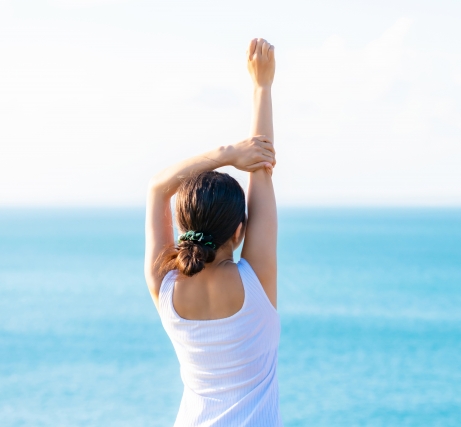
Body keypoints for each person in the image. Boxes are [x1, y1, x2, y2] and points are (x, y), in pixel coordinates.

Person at [144, 38, 281, 426]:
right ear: (240, 232)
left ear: (182, 226)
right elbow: (262, 168)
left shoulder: (164, 283)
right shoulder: (256, 282)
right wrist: (263, 87)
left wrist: (226, 153)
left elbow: (157, 186)